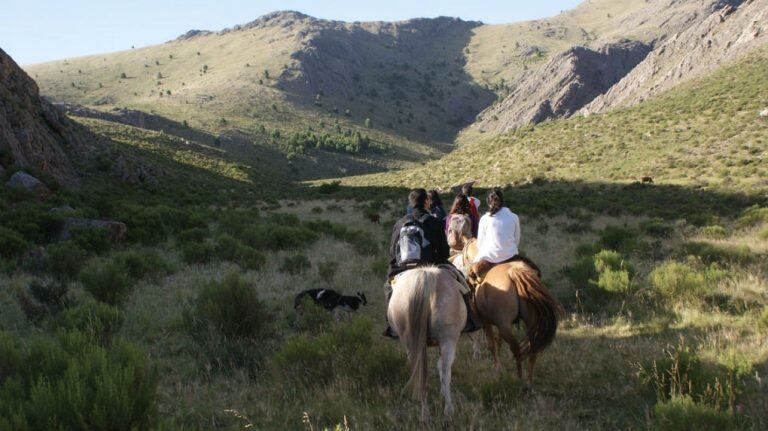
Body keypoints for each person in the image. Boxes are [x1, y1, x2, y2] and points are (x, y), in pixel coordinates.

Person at [383, 188, 481, 338]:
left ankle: (392, 324)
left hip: (402, 268)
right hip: (430, 266)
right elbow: (443, 253)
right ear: (426, 202)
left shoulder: (399, 223)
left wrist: (393, 271)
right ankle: (469, 319)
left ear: (411, 203)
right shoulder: (434, 222)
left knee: (388, 287)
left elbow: (393, 254)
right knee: (462, 280)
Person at [469, 189, 540, 283]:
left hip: (490, 258)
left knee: (470, 275)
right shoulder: (514, 216)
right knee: (536, 270)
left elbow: (480, 244)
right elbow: (516, 240)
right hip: (511, 256)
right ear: (502, 201)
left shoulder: (484, 219)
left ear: (488, 201)